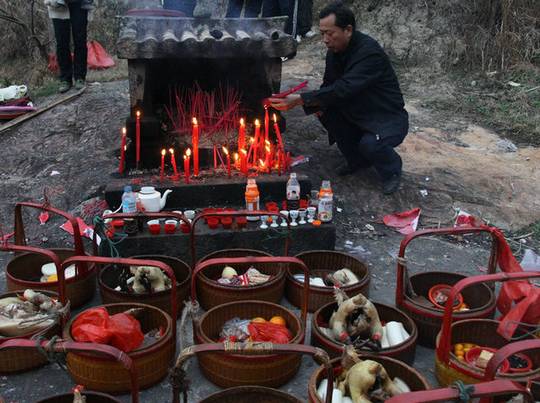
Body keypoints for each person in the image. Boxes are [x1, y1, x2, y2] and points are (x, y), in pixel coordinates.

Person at [269, 2, 409, 195]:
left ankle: (392, 169)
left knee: (371, 144)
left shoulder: (369, 53)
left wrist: (300, 99)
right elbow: (329, 86)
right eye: (322, 33)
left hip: (385, 116)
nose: (325, 40)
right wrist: (314, 103)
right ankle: (357, 160)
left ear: (348, 30)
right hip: (358, 110)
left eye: (330, 33)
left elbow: (345, 88)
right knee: (324, 110)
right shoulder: (334, 52)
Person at [45, 0, 92, 93]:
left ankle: (80, 77)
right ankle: (65, 79)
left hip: (80, 3)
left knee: (80, 40)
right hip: (57, 4)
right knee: (61, 42)